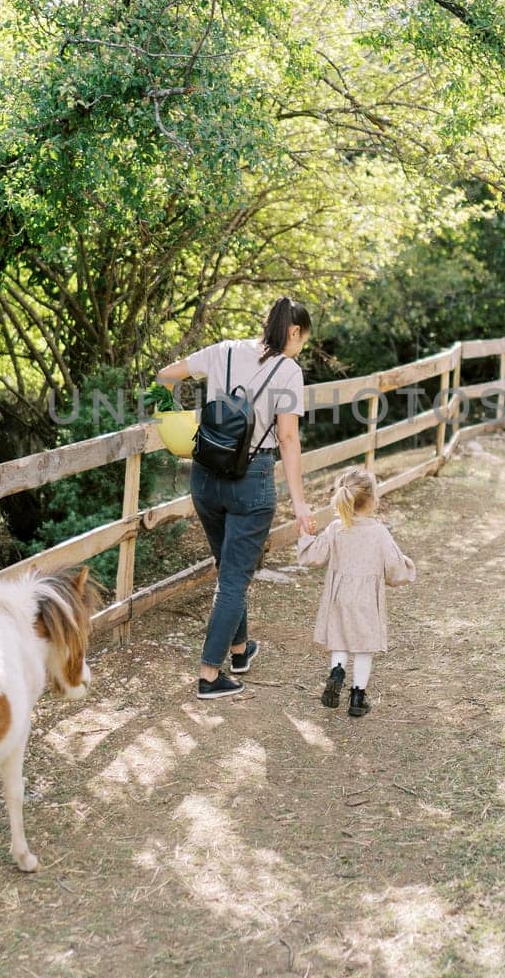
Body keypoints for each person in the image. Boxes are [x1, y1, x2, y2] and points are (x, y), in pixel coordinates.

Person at [156, 296, 316, 699]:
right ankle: (210, 674)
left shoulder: (223, 351)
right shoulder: (289, 371)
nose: (300, 348)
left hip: (205, 476)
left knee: (228, 565)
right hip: (252, 480)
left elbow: (165, 375)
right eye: (302, 340)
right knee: (233, 580)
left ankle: (241, 650)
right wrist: (299, 503)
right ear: (293, 332)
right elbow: (287, 437)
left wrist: (190, 420)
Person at [297, 466, 415, 718]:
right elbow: (394, 566)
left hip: (339, 596)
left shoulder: (335, 529)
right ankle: (357, 698)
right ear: (372, 500)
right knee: (363, 648)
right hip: (366, 600)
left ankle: (337, 671)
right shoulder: (378, 532)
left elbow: (315, 557)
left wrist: (306, 537)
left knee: (339, 640)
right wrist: (406, 567)